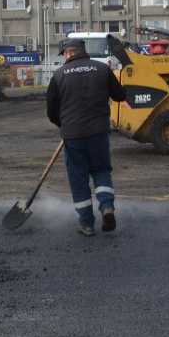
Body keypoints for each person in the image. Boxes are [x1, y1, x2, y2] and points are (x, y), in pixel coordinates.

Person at [47, 38, 127, 237]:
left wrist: (63, 125)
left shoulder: (58, 76)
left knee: (78, 178)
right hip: (98, 132)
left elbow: (51, 111)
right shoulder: (101, 69)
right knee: (101, 171)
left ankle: (87, 224)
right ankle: (107, 207)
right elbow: (120, 96)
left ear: (67, 53)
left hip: (73, 135)